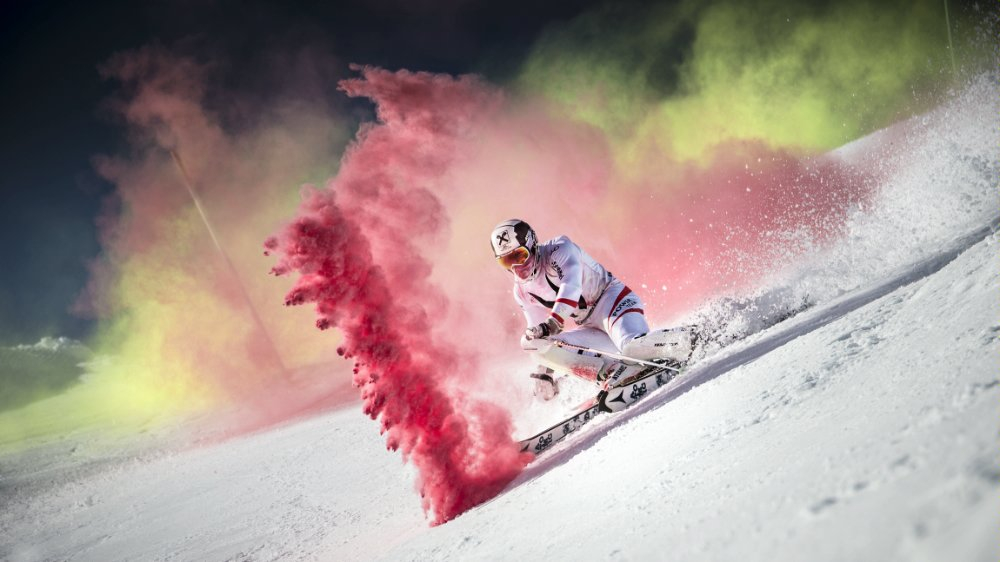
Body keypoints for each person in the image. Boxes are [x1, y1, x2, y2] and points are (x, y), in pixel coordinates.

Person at [491, 219, 694, 400]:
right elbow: (540, 334)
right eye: (507, 261)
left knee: (632, 347)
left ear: (532, 245)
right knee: (531, 344)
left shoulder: (559, 249)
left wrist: (553, 323)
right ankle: (612, 372)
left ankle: (691, 339)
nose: (517, 268)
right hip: (589, 326)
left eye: (520, 256)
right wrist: (545, 370)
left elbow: (571, 287)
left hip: (612, 303)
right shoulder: (521, 291)